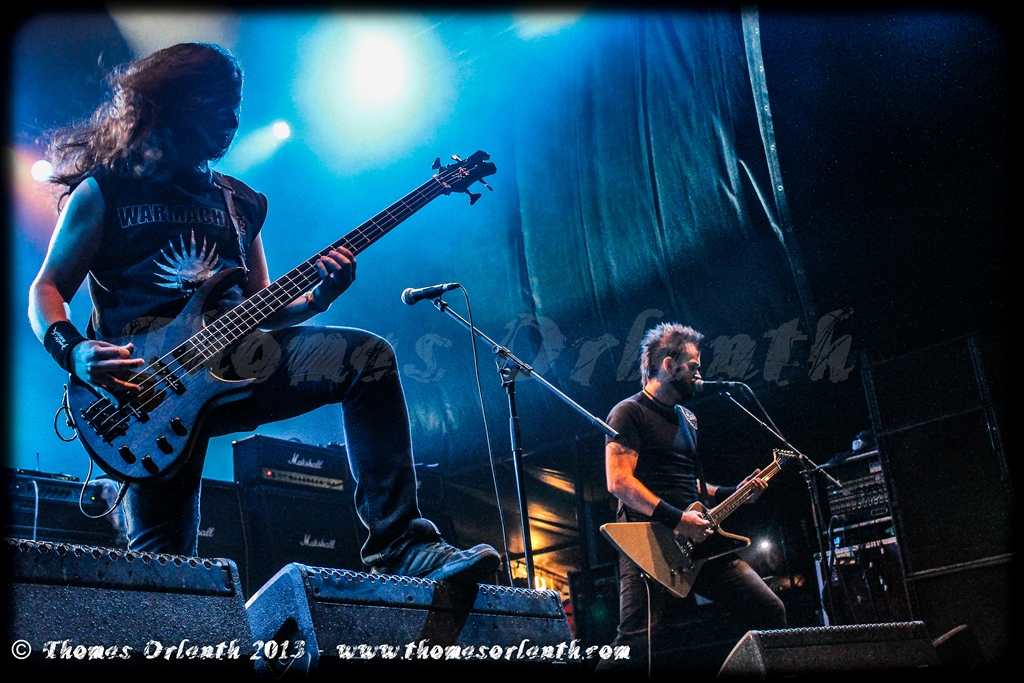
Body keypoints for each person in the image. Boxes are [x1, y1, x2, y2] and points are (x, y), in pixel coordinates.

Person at [27, 42, 499, 584]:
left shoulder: (241, 202)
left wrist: (317, 300)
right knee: (165, 570)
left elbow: (262, 305)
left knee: (366, 359)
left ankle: (401, 545)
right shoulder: (105, 190)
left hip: (240, 364)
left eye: (235, 105)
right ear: (173, 102)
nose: (231, 119)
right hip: (144, 394)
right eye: (216, 104)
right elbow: (46, 288)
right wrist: (74, 353)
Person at [597, 323, 786, 673]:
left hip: (696, 542)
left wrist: (732, 493)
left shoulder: (688, 419)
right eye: (694, 366)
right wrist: (678, 520)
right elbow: (619, 482)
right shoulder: (629, 412)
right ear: (669, 365)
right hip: (648, 542)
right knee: (634, 645)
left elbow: (690, 484)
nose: (700, 374)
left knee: (770, 611)